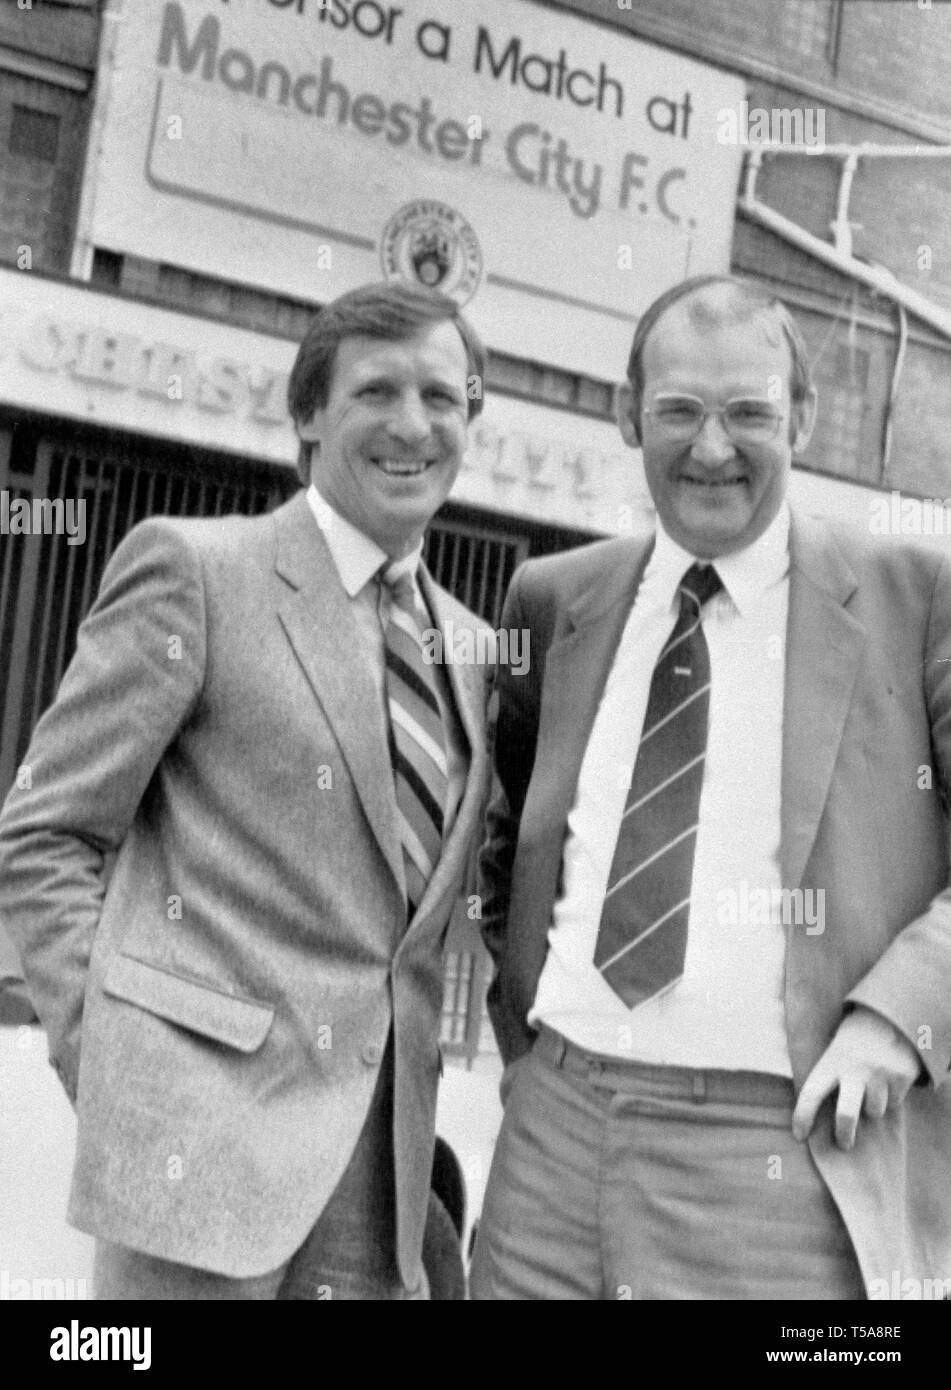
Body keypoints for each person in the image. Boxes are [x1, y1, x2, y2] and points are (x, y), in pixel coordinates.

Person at [0, 280, 493, 1300]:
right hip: (192, 1160)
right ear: (308, 414)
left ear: (471, 422)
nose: (413, 423)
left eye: (442, 398)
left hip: (379, 1187)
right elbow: (46, 830)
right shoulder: (198, 571)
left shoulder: (480, 654)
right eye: (377, 392)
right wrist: (117, 1061)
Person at [470, 274, 951, 1300]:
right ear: (625, 412)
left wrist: (893, 1021)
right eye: (680, 409)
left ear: (805, 418)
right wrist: (530, 1055)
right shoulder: (556, 599)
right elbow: (511, 848)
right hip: (551, 1133)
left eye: (750, 412)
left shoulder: (918, 600)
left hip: (779, 1149)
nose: (713, 446)